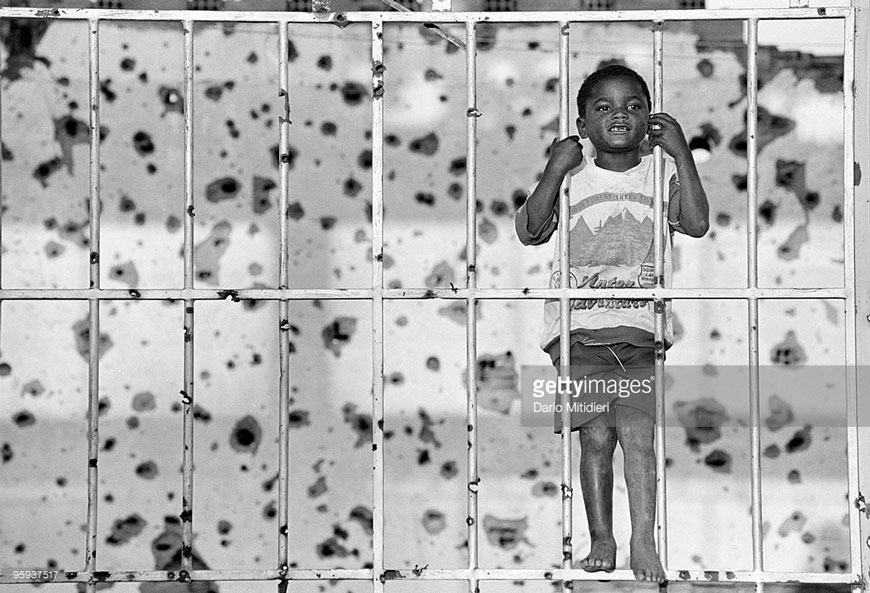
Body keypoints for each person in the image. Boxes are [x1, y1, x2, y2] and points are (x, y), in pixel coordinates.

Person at [515, 64, 709, 583]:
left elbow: (695, 222)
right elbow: (529, 232)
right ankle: (603, 537)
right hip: (576, 332)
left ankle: (644, 539)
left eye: (633, 106)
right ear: (582, 122)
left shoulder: (659, 171)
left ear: (650, 118)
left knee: (639, 438)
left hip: (639, 328)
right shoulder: (573, 174)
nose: (619, 115)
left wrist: (682, 154)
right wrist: (555, 168)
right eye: (603, 108)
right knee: (595, 439)